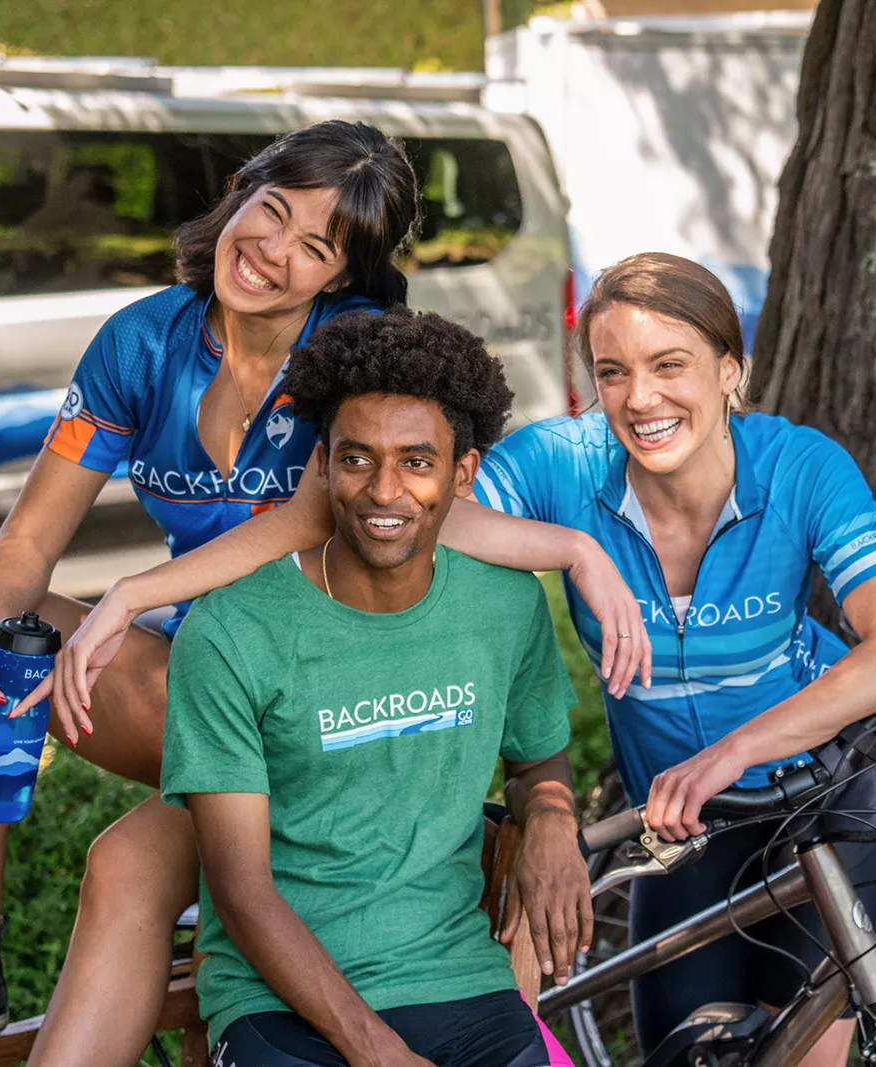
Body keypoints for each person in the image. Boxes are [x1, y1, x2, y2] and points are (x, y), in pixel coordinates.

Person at [50, 252, 876, 1067]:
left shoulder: (800, 465)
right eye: (611, 372)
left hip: (825, 780)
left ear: (729, 369)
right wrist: (578, 549)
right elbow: (381, 506)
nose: (640, 399)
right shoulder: (559, 464)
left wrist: (735, 748)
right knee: (696, 1047)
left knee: (815, 1046)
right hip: (683, 812)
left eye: (670, 365)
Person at [0, 120, 646, 1060]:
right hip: (204, 672)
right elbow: (26, 542)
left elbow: (338, 517)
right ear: (240, 192)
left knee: (132, 858)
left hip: (309, 686)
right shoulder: (141, 344)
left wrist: (577, 549)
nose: (274, 251)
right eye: (271, 212)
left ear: (343, 272)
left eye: (315, 245)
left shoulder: (352, 359)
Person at [163, 306, 586, 1067]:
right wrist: (376, 1051)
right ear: (322, 464)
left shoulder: (504, 604)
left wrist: (552, 816)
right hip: (276, 999)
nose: (383, 491)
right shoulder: (230, 633)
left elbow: (537, 758)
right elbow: (241, 889)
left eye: (417, 462)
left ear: (463, 473)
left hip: (456, 978)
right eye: (357, 459)